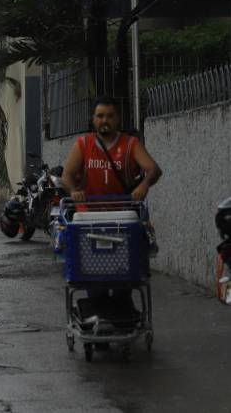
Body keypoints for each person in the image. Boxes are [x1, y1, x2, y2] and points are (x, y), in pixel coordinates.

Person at [60, 96, 163, 319]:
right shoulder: (83, 144)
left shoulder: (130, 145)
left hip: (123, 221)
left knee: (123, 279)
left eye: (109, 116)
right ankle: (97, 317)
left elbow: (153, 169)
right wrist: (74, 191)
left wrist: (144, 185)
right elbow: (66, 175)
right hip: (89, 221)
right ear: (93, 119)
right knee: (93, 280)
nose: (104, 120)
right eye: (100, 116)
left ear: (118, 119)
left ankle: (122, 315)